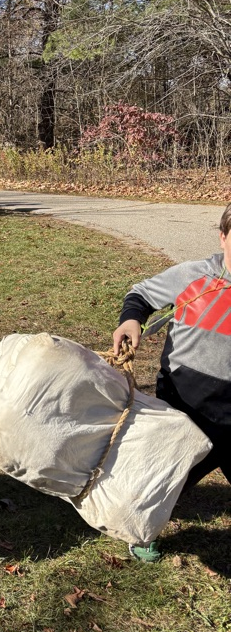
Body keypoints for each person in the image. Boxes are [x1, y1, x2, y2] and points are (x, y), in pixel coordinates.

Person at [112, 203, 231, 561]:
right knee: (168, 478)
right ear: (223, 237)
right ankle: (141, 529)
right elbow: (142, 294)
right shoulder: (195, 277)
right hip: (187, 402)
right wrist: (131, 320)